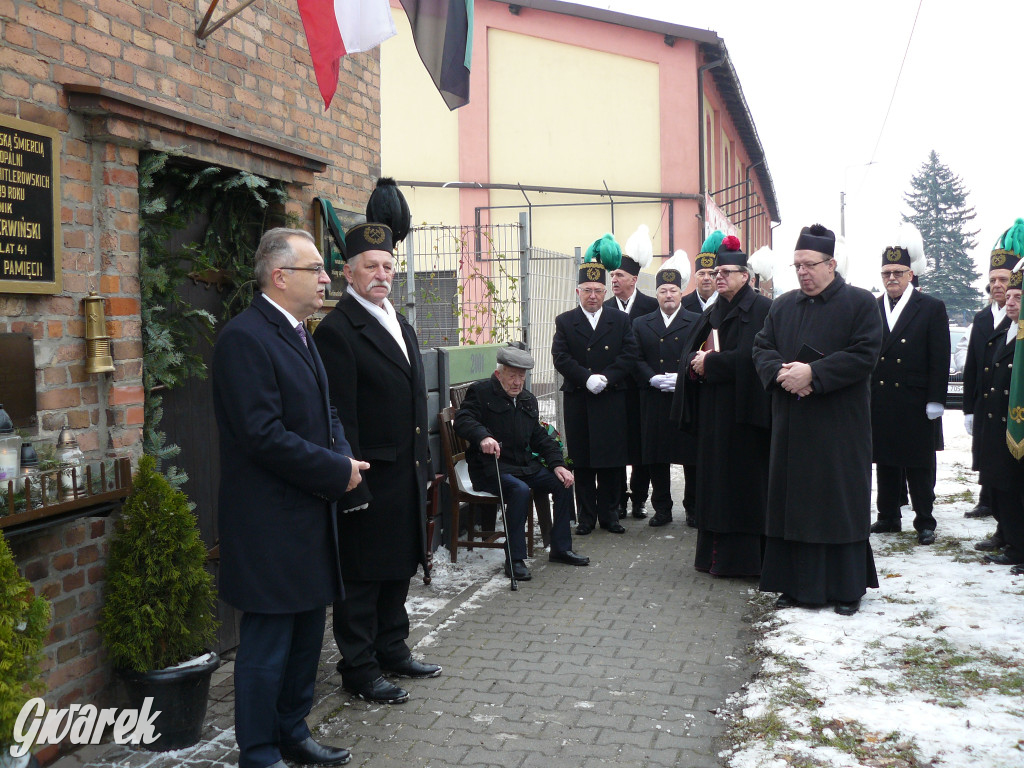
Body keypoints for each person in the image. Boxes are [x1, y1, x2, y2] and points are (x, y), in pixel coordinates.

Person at [212, 227, 366, 768]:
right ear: (281, 276)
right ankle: (257, 751)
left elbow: (326, 415)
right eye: (317, 270)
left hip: (309, 514)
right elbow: (262, 435)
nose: (327, 279)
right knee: (268, 646)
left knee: (305, 637)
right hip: (269, 524)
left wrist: (344, 461)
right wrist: (335, 469)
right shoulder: (244, 338)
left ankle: (292, 731)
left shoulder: (301, 331)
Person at [313, 222, 441, 706]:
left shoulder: (400, 322)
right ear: (348, 272)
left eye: (388, 265)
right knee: (364, 579)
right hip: (368, 478)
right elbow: (338, 417)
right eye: (371, 266)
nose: (381, 274)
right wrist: (353, 486)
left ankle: (392, 648)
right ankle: (359, 667)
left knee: (398, 571)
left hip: (404, 475)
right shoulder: (339, 330)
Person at [751, 223, 882, 616]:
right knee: (794, 506)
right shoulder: (783, 305)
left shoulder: (861, 303)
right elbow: (762, 347)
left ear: (831, 264)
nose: (803, 273)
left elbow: (865, 354)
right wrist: (782, 374)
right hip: (792, 426)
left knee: (836, 504)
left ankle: (846, 589)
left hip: (839, 428)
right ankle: (794, 585)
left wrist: (814, 375)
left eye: (810, 265)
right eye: (797, 266)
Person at [674, 235, 772, 576]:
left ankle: (742, 562)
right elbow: (692, 349)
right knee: (714, 486)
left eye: (727, 272)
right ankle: (712, 558)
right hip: (714, 414)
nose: (718, 277)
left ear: (745, 276)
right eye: (716, 271)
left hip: (746, 416)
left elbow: (754, 357)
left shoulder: (762, 309)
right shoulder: (715, 309)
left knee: (743, 487)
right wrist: (693, 363)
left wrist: (709, 364)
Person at [455, 342, 589, 578]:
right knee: (519, 491)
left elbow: (539, 436)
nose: (517, 382)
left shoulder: (527, 399)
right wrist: (483, 436)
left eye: (522, 377)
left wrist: (558, 464)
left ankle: (560, 548)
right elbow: (463, 420)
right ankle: (514, 559)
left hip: (522, 465)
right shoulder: (481, 391)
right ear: (499, 374)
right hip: (491, 467)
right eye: (512, 376)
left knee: (563, 482)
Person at [552, 234, 639, 537]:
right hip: (580, 398)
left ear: (605, 292)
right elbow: (560, 358)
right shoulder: (565, 321)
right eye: (587, 290)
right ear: (577, 291)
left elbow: (630, 354)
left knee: (613, 462)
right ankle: (586, 518)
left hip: (612, 397)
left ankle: (611, 516)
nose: (592, 296)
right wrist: (585, 377)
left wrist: (608, 377)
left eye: (598, 290)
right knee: (584, 461)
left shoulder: (620, 320)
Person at [869, 225, 950, 545]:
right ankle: (888, 515)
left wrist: (936, 399)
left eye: (898, 272)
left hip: (916, 400)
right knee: (885, 459)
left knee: (919, 463)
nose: (891, 278)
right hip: (882, 396)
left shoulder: (930, 307)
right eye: (886, 272)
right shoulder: (874, 307)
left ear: (911, 274)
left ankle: (924, 519)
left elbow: (940, 356)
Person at [631, 252, 700, 527]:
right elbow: (634, 358)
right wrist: (652, 378)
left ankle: (693, 507)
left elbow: (702, 354)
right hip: (654, 397)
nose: (668, 295)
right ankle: (662, 508)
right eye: (663, 291)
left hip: (685, 397)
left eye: (673, 290)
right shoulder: (641, 323)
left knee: (690, 456)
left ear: (681, 293)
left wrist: (684, 377)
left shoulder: (697, 320)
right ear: (656, 294)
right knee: (656, 455)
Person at [974, 221, 1024, 567]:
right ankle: (1008, 538)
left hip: (1016, 424)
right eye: (1009, 295)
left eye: (1018, 296)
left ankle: (1019, 546)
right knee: (1002, 488)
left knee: (1017, 491)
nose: (1009, 300)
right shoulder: (1004, 329)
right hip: (997, 423)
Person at [604, 225, 658, 520]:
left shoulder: (650, 306)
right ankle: (617, 499)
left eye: (619, 276)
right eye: (612, 276)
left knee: (641, 448)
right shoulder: (606, 307)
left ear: (634, 280)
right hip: (614, 389)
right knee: (617, 447)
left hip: (642, 389)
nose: (614, 280)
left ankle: (638, 498)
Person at [964, 252, 1013, 526]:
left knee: (1003, 460)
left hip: (1007, 402)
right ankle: (987, 500)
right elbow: (972, 364)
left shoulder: (1016, 316)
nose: (997, 285)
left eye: (1003, 279)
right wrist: (968, 408)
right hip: (984, 400)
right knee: (985, 454)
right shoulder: (982, 318)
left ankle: (1000, 513)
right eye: (993, 279)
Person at [681, 232, 721, 314]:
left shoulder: (728, 304)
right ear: (695, 278)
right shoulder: (682, 305)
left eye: (711, 274)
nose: (706, 278)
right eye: (701, 274)